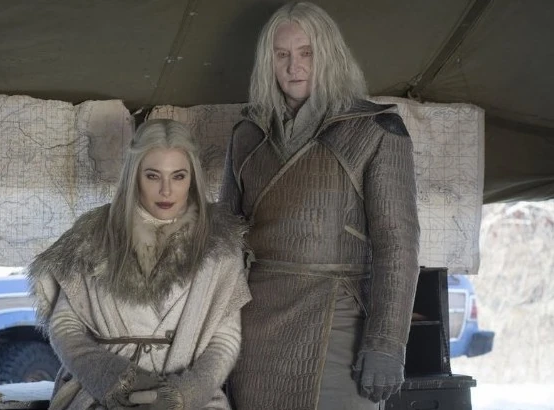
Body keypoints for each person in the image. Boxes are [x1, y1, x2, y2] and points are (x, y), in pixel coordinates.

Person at [220, 2, 420, 409]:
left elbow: (397, 245)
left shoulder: (375, 129)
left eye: (306, 53)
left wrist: (386, 342)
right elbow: (224, 241)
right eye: (281, 54)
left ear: (328, 54)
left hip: (337, 318)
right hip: (255, 326)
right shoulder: (248, 134)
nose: (293, 66)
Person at [27, 119, 251, 410]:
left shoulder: (218, 243)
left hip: (190, 398)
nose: (166, 190)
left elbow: (225, 338)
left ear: (192, 177)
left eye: (178, 176)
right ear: (135, 175)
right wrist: (109, 378)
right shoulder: (93, 236)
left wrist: (188, 393)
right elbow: (65, 326)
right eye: (153, 176)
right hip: (99, 392)